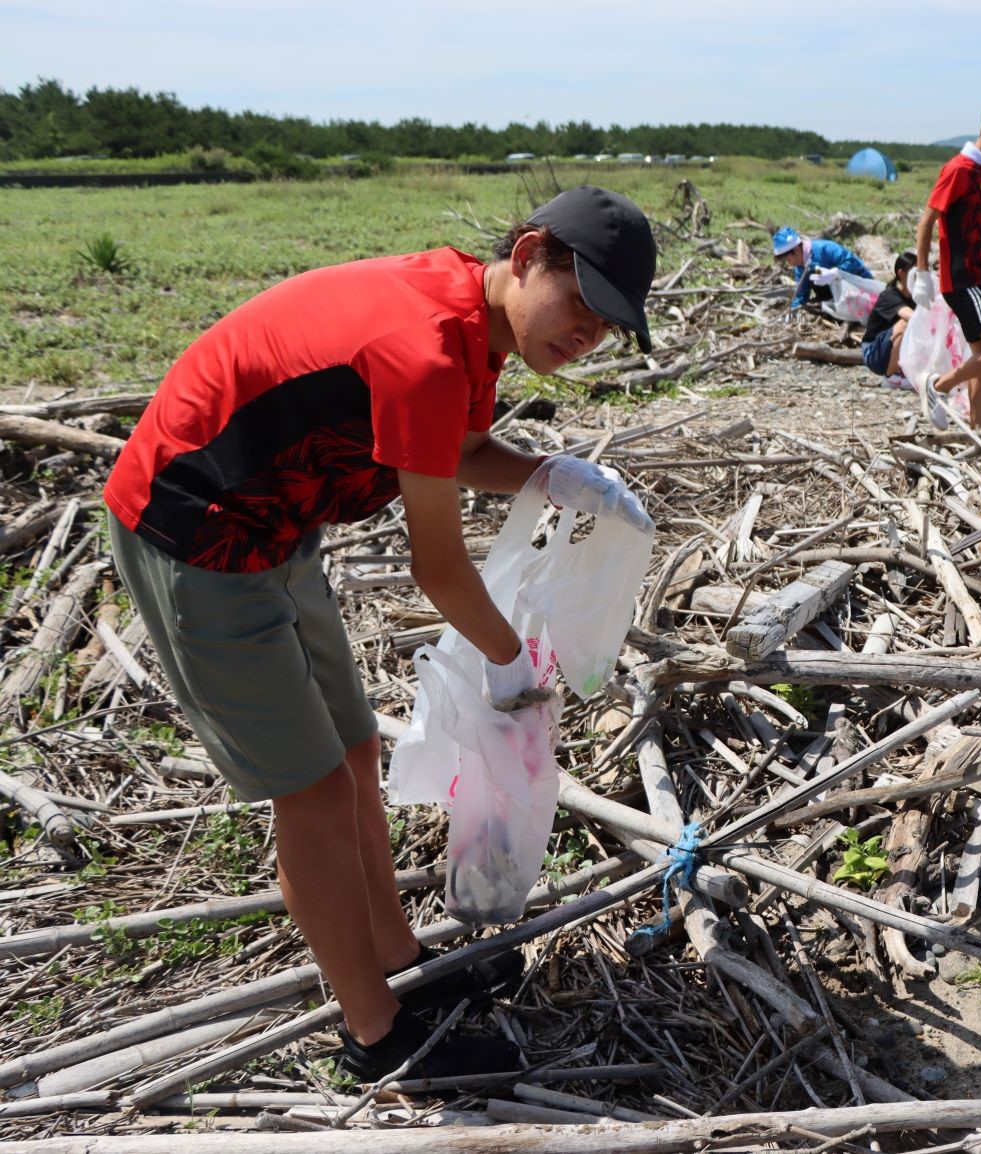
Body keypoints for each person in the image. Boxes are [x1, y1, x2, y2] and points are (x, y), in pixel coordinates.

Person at [101, 186, 659, 1079]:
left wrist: (553, 476)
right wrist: (510, 662)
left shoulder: (472, 322)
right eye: (580, 300)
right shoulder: (429, 349)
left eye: (610, 322)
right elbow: (436, 570)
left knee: (356, 749)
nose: (588, 331)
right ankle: (375, 1033)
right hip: (196, 528)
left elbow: (459, 450)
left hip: (277, 524)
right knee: (313, 792)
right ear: (527, 255)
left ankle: (400, 962)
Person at [910, 97, 981, 429]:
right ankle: (938, 386)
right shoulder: (959, 169)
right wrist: (921, 272)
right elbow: (927, 219)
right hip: (964, 281)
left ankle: (978, 429)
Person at [772, 227, 870, 313]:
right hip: (836, 301)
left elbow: (853, 263)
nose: (790, 264)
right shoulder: (800, 269)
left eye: (788, 259)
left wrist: (835, 273)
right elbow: (801, 295)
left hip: (860, 290)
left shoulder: (826, 249)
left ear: (797, 250)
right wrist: (793, 311)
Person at [861, 251, 917, 385]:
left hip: (889, 349)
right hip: (873, 353)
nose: (919, 278)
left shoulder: (914, 296)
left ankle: (905, 371)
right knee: (906, 323)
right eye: (915, 274)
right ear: (901, 274)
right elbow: (911, 316)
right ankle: (891, 376)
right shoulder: (890, 295)